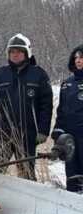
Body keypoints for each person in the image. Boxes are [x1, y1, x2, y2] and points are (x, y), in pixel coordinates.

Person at [0, 34, 53, 180]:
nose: (15, 54)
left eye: (19, 51)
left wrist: (43, 131)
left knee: (27, 175)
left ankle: (28, 201)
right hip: (1, 135)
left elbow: (46, 106)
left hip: (28, 135)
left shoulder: (39, 75)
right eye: (12, 51)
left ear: (27, 53)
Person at [52, 45, 83, 192]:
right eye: (76, 57)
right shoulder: (67, 84)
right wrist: (58, 133)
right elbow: (62, 111)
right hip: (71, 138)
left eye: (82, 57)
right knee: (73, 177)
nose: (78, 60)